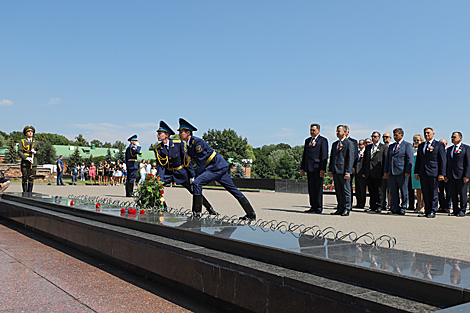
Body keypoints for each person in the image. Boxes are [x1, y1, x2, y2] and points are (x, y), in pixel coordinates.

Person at [177, 118, 256, 220]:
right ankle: (251, 214)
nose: (179, 134)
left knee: (197, 183)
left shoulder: (197, 143)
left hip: (215, 167)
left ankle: (196, 215)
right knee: (233, 190)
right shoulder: (189, 145)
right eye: (179, 132)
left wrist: (196, 177)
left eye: (181, 132)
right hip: (217, 167)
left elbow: (200, 163)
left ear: (188, 132)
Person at [155, 121, 218, 215]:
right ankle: (163, 208)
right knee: (156, 188)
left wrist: (192, 176)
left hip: (181, 173)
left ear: (167, 135)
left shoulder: (178, 144)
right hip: (168, 174)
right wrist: (159, 179)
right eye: (158, 134)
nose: (158, 135)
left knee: (194, 191)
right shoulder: (158, 149)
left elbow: (186, 161)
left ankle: (210, 209)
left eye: (160, 134)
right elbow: (161, 165)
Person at [414, 127, 446, 218]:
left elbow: (442, 160)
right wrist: (416, 172)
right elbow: (419, 160)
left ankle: (432, 210)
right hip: (423, 172)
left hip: (434, 172)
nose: (427, 135)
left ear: (433, 134)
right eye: (425, 133)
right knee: (425, 192)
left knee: (433, 192)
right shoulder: (421, 145)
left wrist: (441, 173)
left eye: (428, 133)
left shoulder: (439, 145)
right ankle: (427, 210)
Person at [383, 128, 413, 215]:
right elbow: (388, 160)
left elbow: (409, 159)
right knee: (393, 191)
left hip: (402, 172)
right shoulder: (392, 146)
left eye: (396, 135)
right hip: (392, 172)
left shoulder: (407, 145)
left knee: (403, 191)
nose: (395, 137)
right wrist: (386, 171)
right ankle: (394, 207)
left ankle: (403, 207)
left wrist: (408, 171)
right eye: (394, 135)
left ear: (401, 135)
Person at [300, 123, 328, 214]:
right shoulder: (308, 141)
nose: (312, 132)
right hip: (309, 168)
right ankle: (313, 206)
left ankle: (319, 207)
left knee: (318, 188)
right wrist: (303, 167)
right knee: (311, 188)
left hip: (318, 168)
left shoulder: (323, 140)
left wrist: (322, 169)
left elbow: (324, 155)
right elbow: (305, 155)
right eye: (311, 130)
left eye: (313, 130)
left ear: (318, 131)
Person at [328, 125, 355, 216]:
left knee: (346, 191)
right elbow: (332, 158)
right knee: (338, 191)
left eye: (339, 131)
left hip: (344, 171)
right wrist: (330, 169)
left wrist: (348, 171)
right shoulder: (335, 144)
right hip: (336, 171)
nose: (337, 133)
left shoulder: (349, 143)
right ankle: (340, 208)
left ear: (344, 132)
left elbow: (350, 158)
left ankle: (347, 208)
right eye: (336, 131)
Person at [446, 132, 470, 217]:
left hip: (461, 175)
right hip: (451, 175)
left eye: (454, 137)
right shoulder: (449, 149)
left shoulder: (466, 148)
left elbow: (468, 163)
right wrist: (446, 175)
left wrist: (467, 175)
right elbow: (447, 163)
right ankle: (455, 209)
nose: (452, 139)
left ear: (460, 138)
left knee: (462, 193)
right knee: (453, 193)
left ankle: (462, 210)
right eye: (451, 137)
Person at [363, 131, 388, 213]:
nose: (373, 138)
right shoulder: (368, 147)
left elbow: (385, 160)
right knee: (371, 190)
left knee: (379, 190)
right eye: (372, 136)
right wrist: (364, 171)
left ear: (379, 137)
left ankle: (379, 206)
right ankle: (372, 206)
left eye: (375, 136)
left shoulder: (383, 147)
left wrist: (385, 172)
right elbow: (365, 160)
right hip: (369, 172)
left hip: (378, 172)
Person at [18, 125, 38, 195]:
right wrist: (26, 158)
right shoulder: (22, 141)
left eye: (31, 132)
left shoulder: (36, 142)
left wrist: (35, 152)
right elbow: (20, 151)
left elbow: (40, 152)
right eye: (28, 131)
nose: (30, 133)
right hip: (25, 162)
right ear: (26, 134)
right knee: (24, 177)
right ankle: (24, 193)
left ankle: (30, 193)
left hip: (33, 163)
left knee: (31, 178)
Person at [411, 134, 425, 213]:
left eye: (418, 140)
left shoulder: (423, 149)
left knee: (423, 190)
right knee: (418, 190)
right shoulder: (413, 149)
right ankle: (418, 205)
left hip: (421, 171)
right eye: (414, 140)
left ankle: (423, 206)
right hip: (414, 171)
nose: (416, 142)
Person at [437, 139, 452, 213]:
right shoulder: (437, 152)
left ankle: (448, 207)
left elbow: (449, 164)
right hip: (439, 175)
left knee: (448, 192)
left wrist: (446, 175)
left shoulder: (448, 152)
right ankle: (442, 206)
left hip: (447, 175)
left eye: (442, 143)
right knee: (440, 192)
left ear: (446, 144)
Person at [353, 139, 367, 209]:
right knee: (357, 189)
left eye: (361, 144)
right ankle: (358, 202)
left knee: (362, 189)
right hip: (356, 173)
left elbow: (366, 164)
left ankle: (362, 203)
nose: (359, 146)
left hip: (362, 173)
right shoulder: (357, 152)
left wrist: (365, 172)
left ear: (364, 145)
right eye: (359, 144)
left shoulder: (366, 152)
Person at [382, 132, 392, 210]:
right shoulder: (381, 147)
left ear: (390, 138)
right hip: (382, 171)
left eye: (386, 137)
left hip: (390, 171)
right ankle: (383, 204)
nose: (385, 138)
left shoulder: (391, 146)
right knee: (382, 189)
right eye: (384, 137)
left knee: (390, 189)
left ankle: (390, 203)